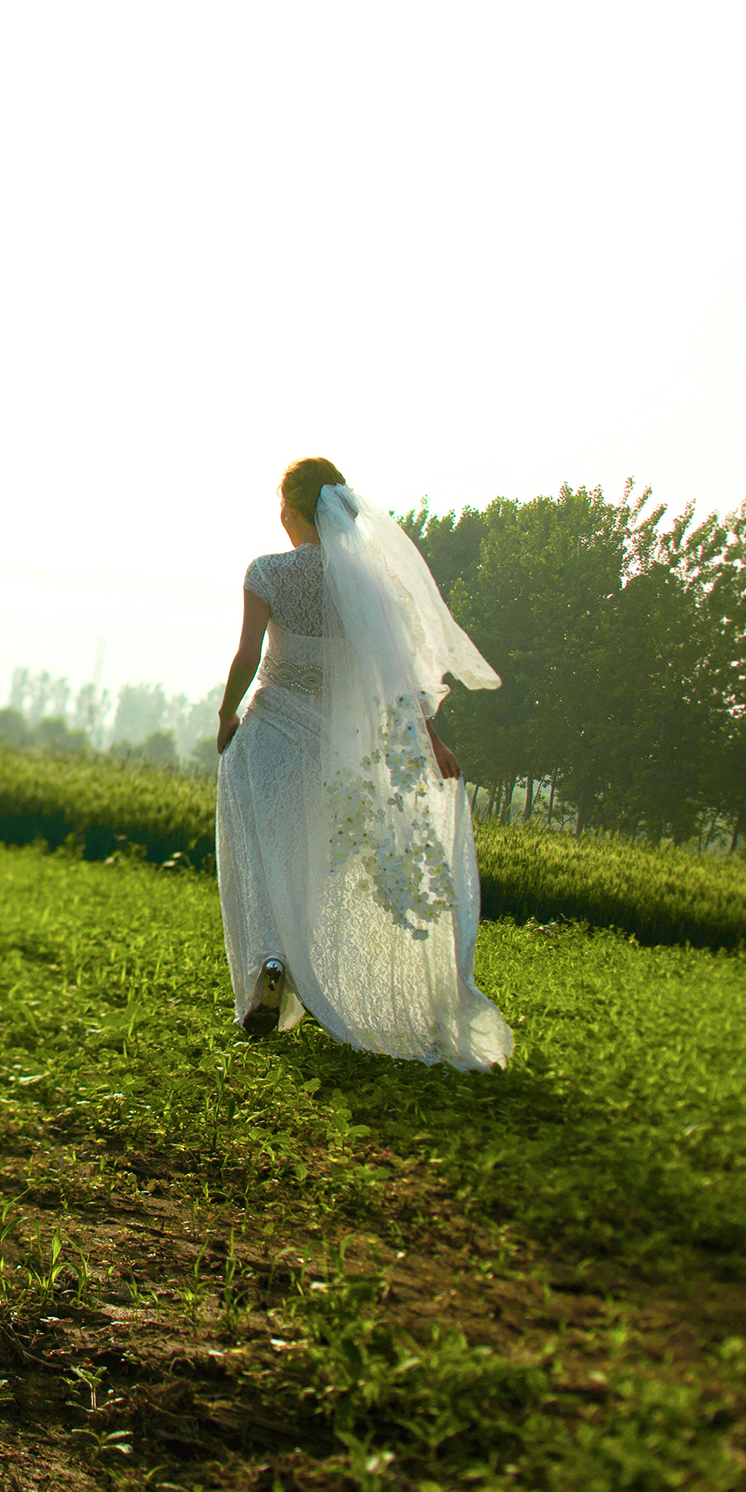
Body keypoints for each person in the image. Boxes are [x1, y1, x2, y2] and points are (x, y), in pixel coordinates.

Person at [214, 457, 513, 1072]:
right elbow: (393, 672)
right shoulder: (363, 585)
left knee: (261, 847)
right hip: (332, 749)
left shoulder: (267, 572)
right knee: (318, 862)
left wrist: (226, 715)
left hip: (270, 733)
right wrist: (431, 738)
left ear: (291, 509)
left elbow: (247, 654)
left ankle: (269, 959)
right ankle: (302, 963)